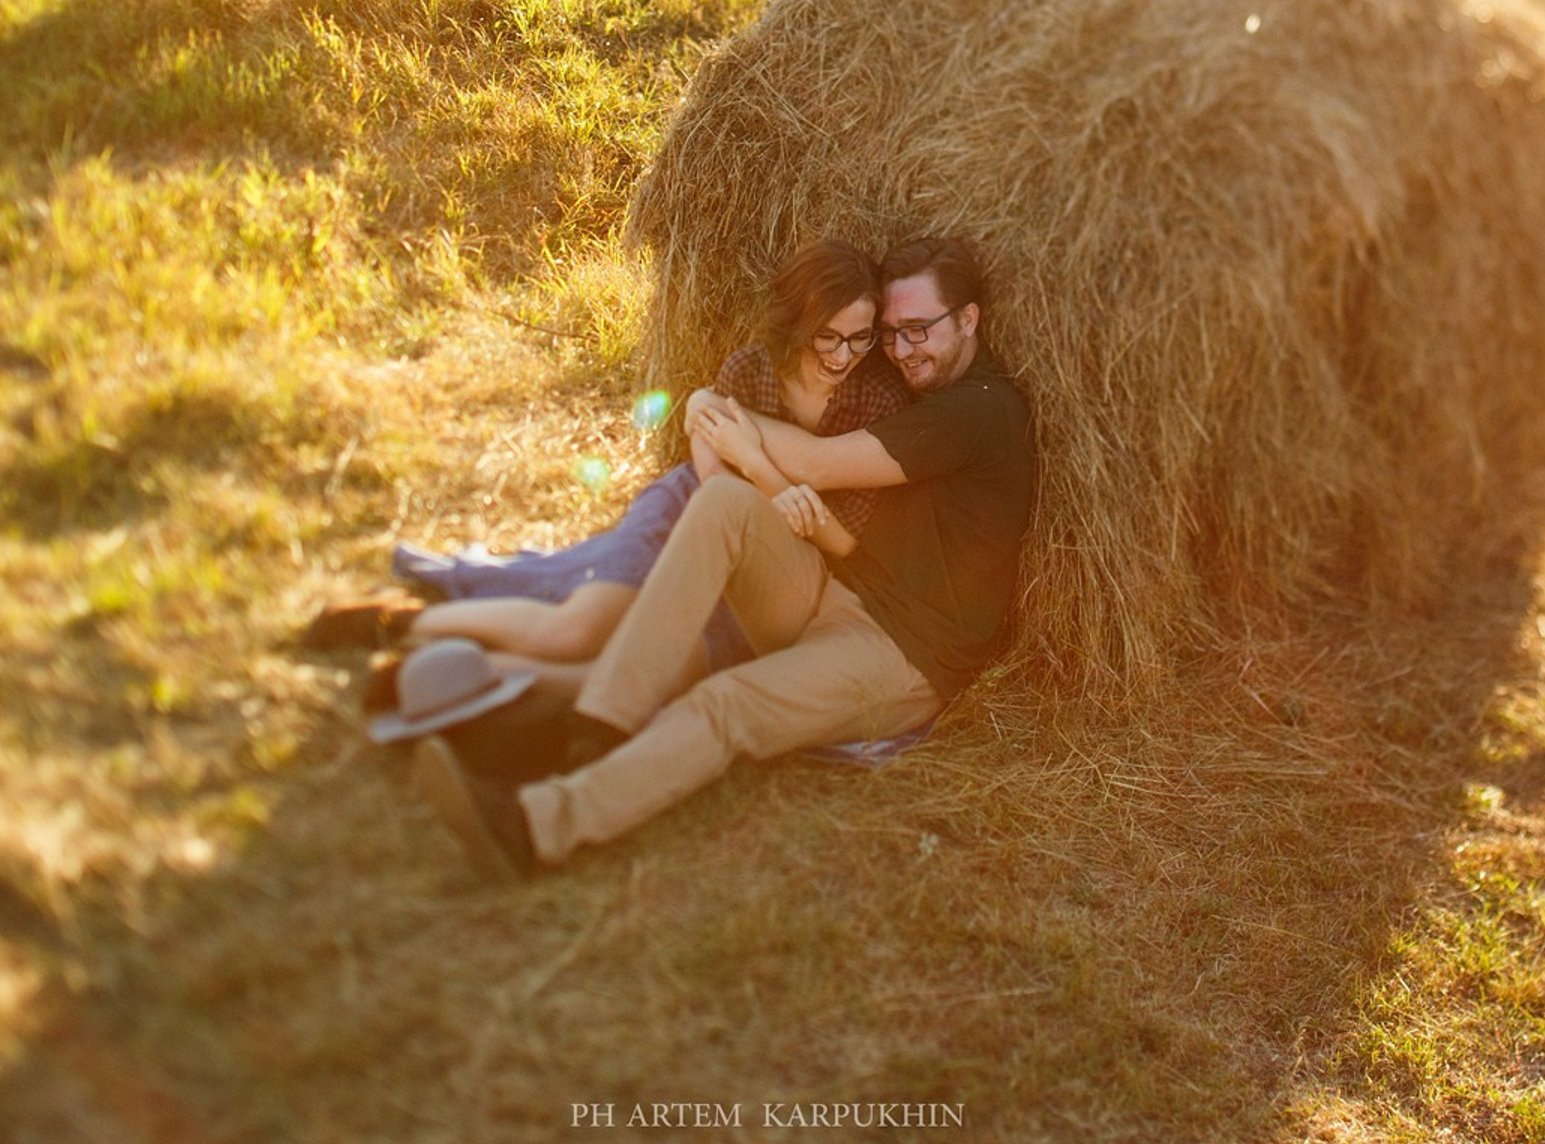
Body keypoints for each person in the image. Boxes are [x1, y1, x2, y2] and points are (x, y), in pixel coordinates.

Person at [414, 234, 1036, 882]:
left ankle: (536, 830)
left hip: (903, 655)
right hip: (834, 595)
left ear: (969, 319)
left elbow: (819, 463)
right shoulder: (930, 398)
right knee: (722, 505)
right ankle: (599, 728)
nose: (903, 350)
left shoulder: (980, 412)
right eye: (892, 333)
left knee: (727, 701)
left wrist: (718, 412)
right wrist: (724, 424)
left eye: (920, 330)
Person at [303, 239, 909, 691]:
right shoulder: (751, 370)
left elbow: (843, 538)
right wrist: (739, 505)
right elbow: (708, 471)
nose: (844, 355)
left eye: (861, 339)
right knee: (577, 632)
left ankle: (448, 681)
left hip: (769, 569)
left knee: (626, 659)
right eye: (829, 336)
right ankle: (404, 626)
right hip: (690, 513)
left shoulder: (876, 397)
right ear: (800, 321)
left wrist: (760, 477)